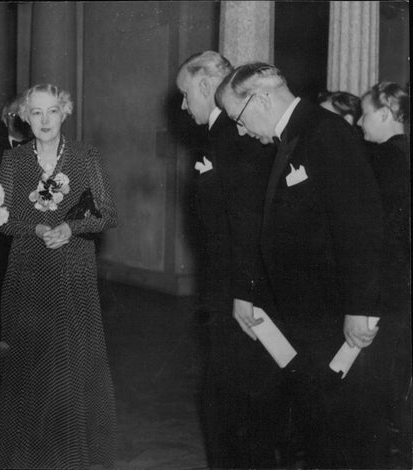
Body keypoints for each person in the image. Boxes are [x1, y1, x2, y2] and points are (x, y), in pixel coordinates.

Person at [217, 62, 386, 468]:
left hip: (333, 316)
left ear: (260, 99)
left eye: (238, 118)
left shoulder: (324, 132)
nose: (240, 130)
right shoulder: (294, 135)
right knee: (317, 430)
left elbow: (360, 225)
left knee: (336, 436)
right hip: (307, 316)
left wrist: (360, 308)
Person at [0, 83, 117, 468]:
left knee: (69, 364)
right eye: (36, 112)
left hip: (73, 269)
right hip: (27, 271)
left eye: (52, 112)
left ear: (65, 113)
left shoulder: (84, 156)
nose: (44, 120)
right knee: (27, 365)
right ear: (25, 117)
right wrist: (38, 229)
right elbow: (2, 219)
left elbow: (108, 214)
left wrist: (70, 229)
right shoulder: (14, 161)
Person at [175, 51, 279, 468]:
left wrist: (243, 293)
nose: (183, 105)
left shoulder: (231, 139)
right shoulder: (219, 138)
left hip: (240, 297)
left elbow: (248, 225)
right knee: (229, 403)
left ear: (204, 86)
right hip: (230, 292)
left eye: (186, 94)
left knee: (233, 409)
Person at [357, 81, 411, 468]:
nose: (359, 122)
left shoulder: (383, 160)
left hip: (386, 291)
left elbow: (377, 237)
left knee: (376, 392)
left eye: (364, 113)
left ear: (385, 114)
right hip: (403, 289)